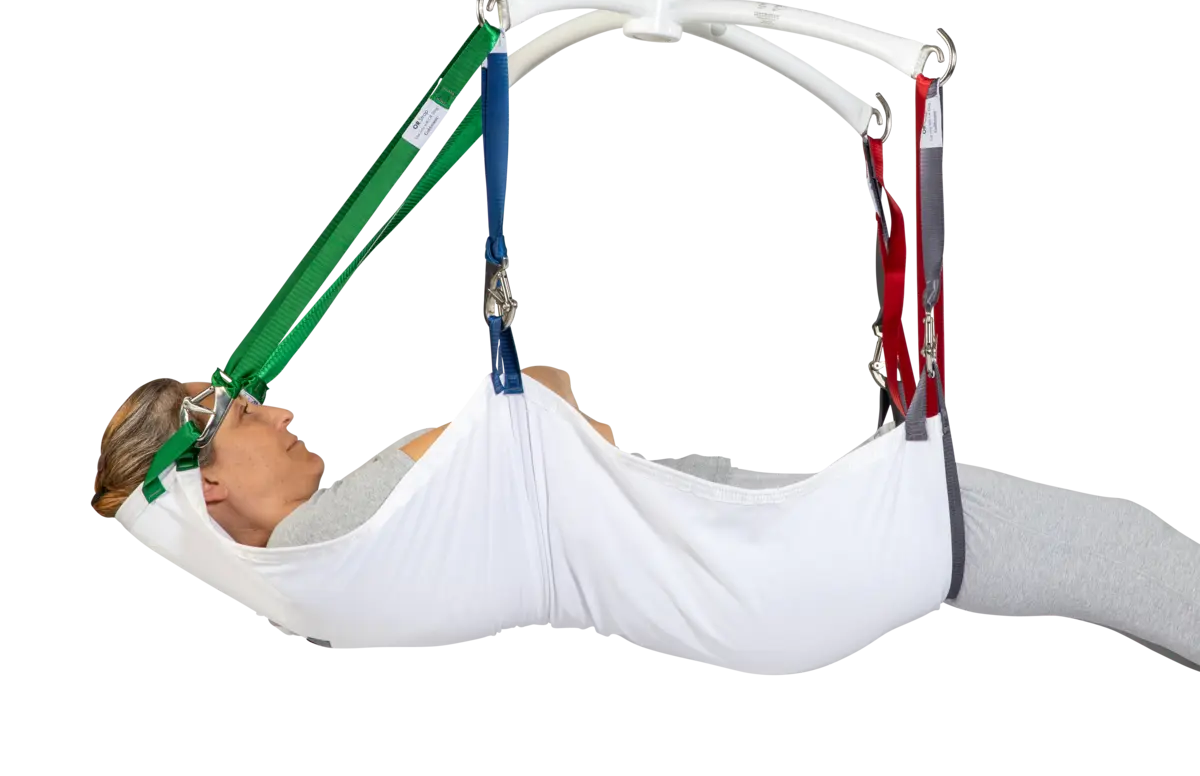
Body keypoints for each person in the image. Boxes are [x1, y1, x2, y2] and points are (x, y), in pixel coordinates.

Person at [91, 367, 1200, 667]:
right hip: (782, 561)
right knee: (1133, 555)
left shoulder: (310, 581)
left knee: (1124, 578)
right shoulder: (330, 532)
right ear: (208, 486)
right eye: (247, 415)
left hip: (756, 576)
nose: (282, 411)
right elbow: (538, 396)